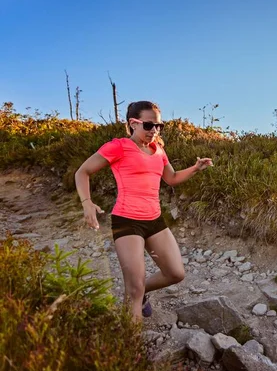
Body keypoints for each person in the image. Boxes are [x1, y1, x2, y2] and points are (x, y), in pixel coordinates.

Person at [74, 101, 213, 321]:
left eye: (159, 126)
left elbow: (172, 178)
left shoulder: (159, 149)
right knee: (134, 289)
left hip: (154, 220)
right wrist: (87, 202)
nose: (154, 131)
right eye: (149, 125)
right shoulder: (118, 146)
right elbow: (83, 172)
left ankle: (139, 292)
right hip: (127, 221)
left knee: (176, 273)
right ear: (133, 123)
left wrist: (195, 168)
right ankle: (131, 346)